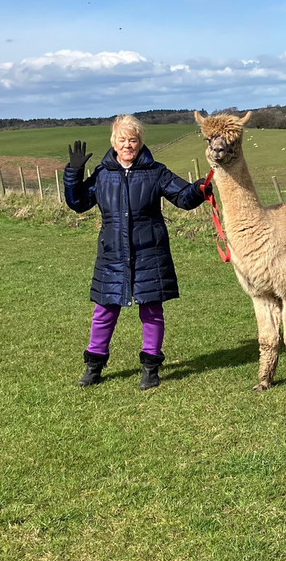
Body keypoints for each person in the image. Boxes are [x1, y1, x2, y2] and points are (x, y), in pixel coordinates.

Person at [64, 114, 210, 390]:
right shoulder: (103, 174)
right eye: (122, 139)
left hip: (150, 252)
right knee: (104, 311)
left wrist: (200, 188)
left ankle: (151, 369)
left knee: (152, 310)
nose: (127, 145)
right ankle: (94, 367)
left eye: (132, 140)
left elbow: (183, 198)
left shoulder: (156, 172)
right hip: (112, 254)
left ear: (140, 142)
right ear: (113, 142)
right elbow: (78, 203)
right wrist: (73, 173)